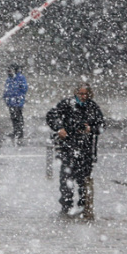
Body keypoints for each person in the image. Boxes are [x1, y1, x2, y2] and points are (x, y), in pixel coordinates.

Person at [46, 83, 104, 216]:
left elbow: (101, 125)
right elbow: (51, 116)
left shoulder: (93, 107)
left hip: (86, 150)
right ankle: (66, 206)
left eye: (86, 94)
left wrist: (91, 129)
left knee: (84, 181)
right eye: (81, 94)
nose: (83, 97)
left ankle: (84, 206)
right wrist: (60, 128)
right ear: (76, 93)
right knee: (66, 179)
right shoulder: (66, 104)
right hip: (68, 148)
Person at [3, 64, 28, 143]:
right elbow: (6, 89)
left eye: (10, 70)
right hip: (11, 102)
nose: (9, 71)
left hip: (17, 102)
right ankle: (15, 131)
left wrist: (17, 96)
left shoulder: (20, 77)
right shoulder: (9, 79)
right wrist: (6, 97)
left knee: (18, 117)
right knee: (13, 117)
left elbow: (24, 88)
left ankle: (20, 133)